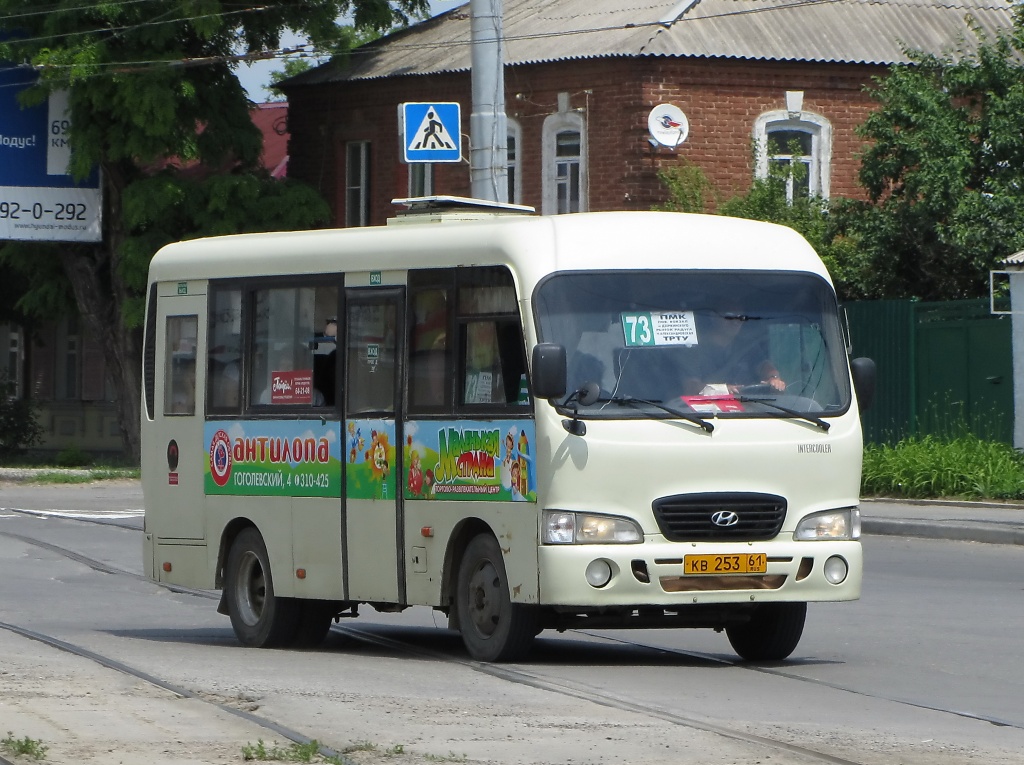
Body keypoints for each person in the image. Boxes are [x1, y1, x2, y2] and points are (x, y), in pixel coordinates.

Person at [682, 307, 784, 396]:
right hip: (703, 413)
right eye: (730, 317)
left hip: (749, 409)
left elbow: (763, 366)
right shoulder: (693, 349)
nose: (736, 322)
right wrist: (722, 391)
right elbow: (691, 387)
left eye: (741, 318)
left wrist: (773, 378)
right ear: (713, 317)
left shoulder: (747, 346)